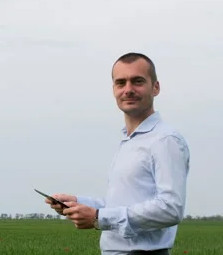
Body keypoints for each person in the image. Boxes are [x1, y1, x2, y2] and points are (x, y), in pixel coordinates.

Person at [46, 52, 190, 255]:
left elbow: (170, 209)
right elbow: (122, 205)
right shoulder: (130, 141)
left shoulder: (165, 140)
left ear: (155, 87)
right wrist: (79, 203)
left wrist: (97, 217)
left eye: (137, 81)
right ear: (114, 89)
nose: (128, 90)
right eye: (120, 83)